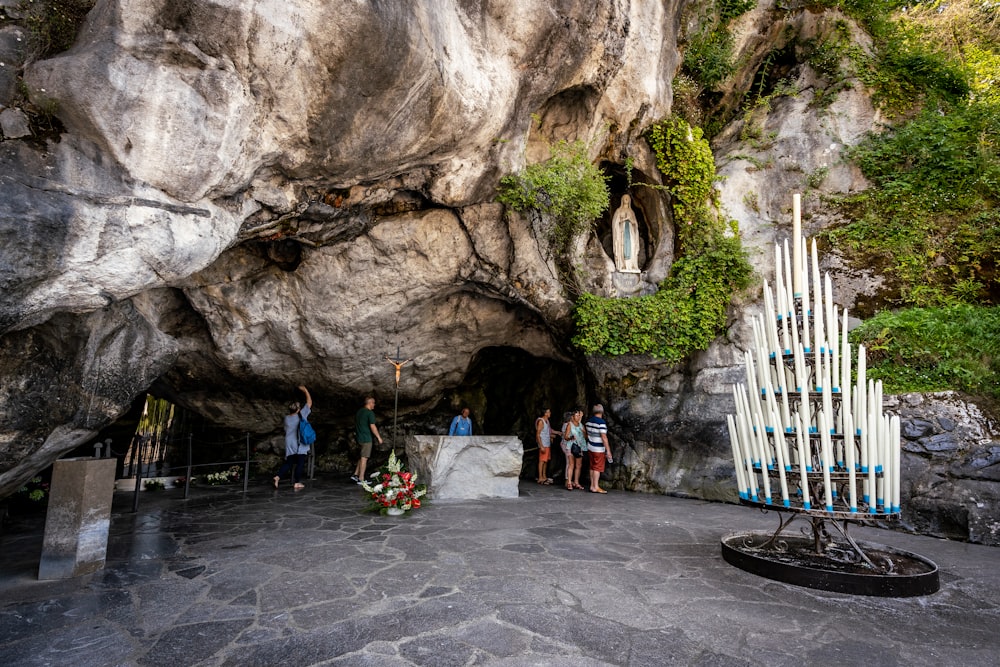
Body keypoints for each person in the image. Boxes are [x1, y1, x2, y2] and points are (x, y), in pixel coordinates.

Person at [274, 385, 312, 490]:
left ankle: (277, 477)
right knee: (300, 462)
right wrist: (305, 390)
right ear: (298, 409)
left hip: (289, 442)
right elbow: (309, 403)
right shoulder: (301, 415)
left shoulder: (286, 418)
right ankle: (297, 482)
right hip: (299, 442)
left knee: (289, 462)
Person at [351, 396, 383, 484]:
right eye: (373, 403)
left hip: (359, 437)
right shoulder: (369, 413)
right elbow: (372, 426)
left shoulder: (359, 412)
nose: (374, 405)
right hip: (366, 438)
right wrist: (379, 437)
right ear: (370, 403)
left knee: (361, 456)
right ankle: (361, 479)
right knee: (364, 458)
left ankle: (355, 474)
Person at [584, 403, 612, 493]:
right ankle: (596, 486)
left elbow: (587, 435)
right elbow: (604, 437)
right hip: (598, 449)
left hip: (590, 447)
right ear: (602, 411)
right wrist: (608, 450)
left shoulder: (588, 422)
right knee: (597, 468)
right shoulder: (601, 423)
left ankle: (592, 486)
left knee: (592, 467)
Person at [561, 409, 586, 490]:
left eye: (579, 415)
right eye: (577, 415)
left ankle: (576, 482)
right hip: (571, 446)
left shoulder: (581, 425)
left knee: (578, 465)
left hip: (580, 446)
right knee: (571, 464)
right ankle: (569, 482)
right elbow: (565, 436)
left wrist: (584, 432)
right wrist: (571, 437)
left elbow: (586, 437)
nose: (578, 417)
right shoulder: (569, 425)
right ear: (573, 417)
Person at [535, 408, 554, 485]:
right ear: (545, 413)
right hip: (543, 444)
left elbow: (548, 431)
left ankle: (544, 476)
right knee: (541, 461)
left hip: (547, 443)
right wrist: (541, 445)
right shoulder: (541, 421)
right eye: (548, 412)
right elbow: (538, 434)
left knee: (546, 461)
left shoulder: (547, 421)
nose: (550, 413)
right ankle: (540, 477)